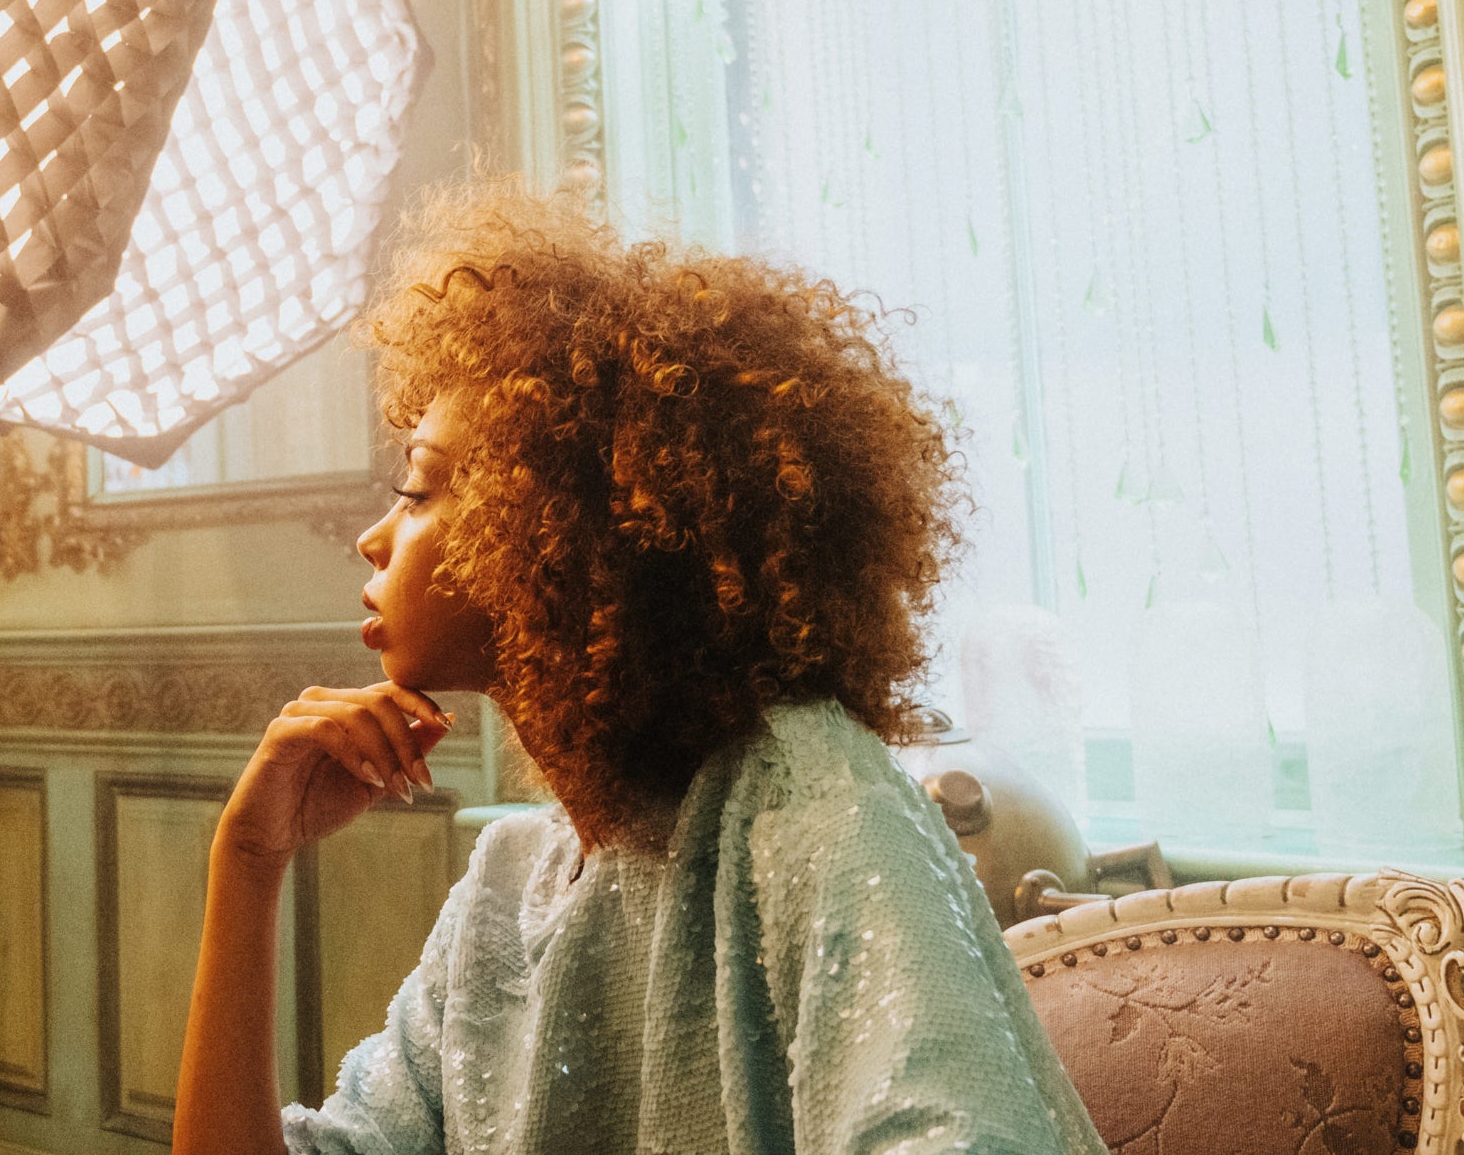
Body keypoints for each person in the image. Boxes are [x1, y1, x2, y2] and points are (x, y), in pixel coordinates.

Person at [172, 191, 1105, 1155]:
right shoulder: (511, 881)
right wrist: (246, 861)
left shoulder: (817, 808)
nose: (374, 538)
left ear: (561, 533)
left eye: (416, 488)